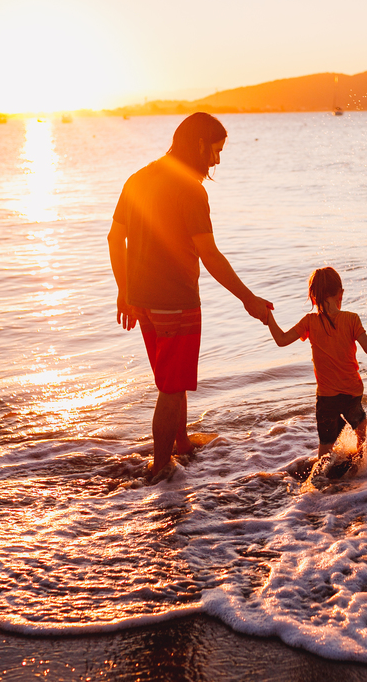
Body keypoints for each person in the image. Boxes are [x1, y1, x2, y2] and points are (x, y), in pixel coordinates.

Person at [108, 112, 273, 480]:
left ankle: (181, 445)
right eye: (215, 151)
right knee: (171, 388)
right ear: (198, 145)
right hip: (176, 301)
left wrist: (124, 291)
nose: (217, 160)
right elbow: (210, 255)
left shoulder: (139, 178)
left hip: (143, 300)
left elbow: (113, 238)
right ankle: (161, 469)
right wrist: (248, 299)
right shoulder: (190, 189)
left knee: (174, 380)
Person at [266, 267, 367, 458]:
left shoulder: (309, 322)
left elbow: (281, 340)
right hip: (351, 393)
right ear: (341, 293)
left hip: (326, 399)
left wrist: (268, 317)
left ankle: (321, 483)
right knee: (362, 437)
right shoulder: (351, 319)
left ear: (313, 296)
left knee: (324, 452)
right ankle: (360, 476)